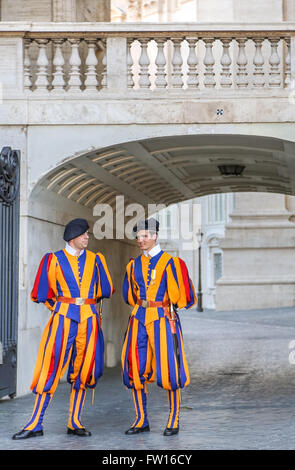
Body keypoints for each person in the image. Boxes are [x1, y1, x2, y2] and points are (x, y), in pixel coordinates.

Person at [12, 218, 114, 439]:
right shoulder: (53, 259)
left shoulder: (96, 260)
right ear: (72, 237)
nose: (87, 237)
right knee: (50, 366)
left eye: (87, 234)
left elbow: (106, 289)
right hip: (62, 319)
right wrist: (59, 308)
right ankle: (35, 423)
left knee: (83, 370)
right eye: (84, 234)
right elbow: (42, 293)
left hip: (88, 319)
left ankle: (74, 420)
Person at [121, 217, 196, 436]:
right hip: (139, 318)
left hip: (164, 318)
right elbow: (129, 295)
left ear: (154, 236)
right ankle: (141, 419)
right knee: (135, 368)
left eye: (145, 236)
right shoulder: (132, 265)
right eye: (138, 236)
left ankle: (173, 420)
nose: (141, 240)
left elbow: (185, 297)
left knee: (170, 369)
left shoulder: (172, 263)